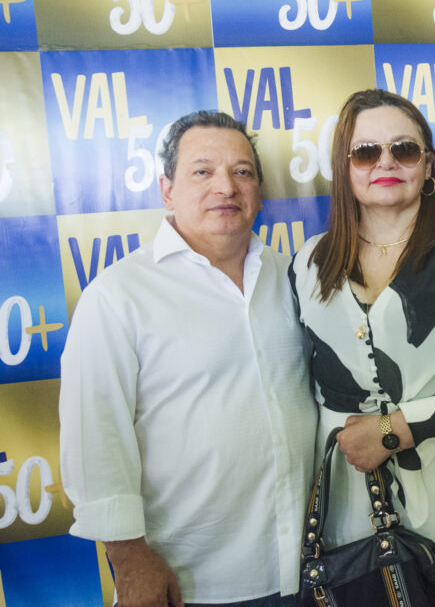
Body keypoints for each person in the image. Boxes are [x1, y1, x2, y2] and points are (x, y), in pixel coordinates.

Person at [59, 111, 317, 607]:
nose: (226, 186)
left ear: (259, 190)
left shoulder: (293, 278)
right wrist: (129, 562)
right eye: (202, 171)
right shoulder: (118, 296)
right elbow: (96, 438)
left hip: (307, 568)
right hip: (190, 581)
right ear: (167, 190)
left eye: (242, 172)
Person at [289, 88, 435, 606]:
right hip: (347, 480)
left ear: (428, 165)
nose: (386, 163)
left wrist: (395, 429)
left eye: (404, 149)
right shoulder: (309, 260)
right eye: (366, 152)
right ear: (344, 167)